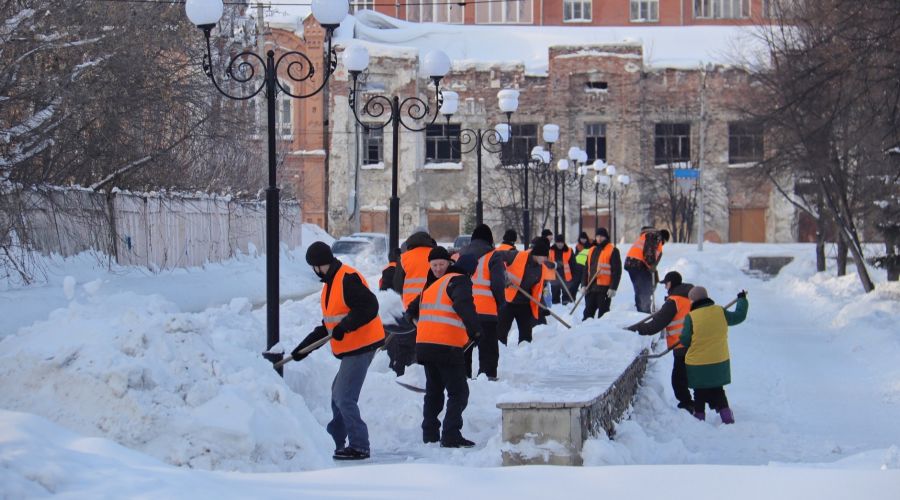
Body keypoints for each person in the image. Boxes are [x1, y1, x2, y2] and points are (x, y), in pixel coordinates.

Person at [290, 242, 385, 460]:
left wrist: (347, 326)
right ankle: (334, 441)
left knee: (344, 396)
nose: (314, 271)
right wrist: (302, 349)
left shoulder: (347, 278)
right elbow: (329, 326)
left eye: (314, 267)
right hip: (353, 345)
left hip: (363, 344)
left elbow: (370, 306)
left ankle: (360, 446)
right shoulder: (331, 284)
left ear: (319, 265)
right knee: (337, 394)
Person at [406, 248, 482, 448]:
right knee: (458, 392)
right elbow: (463, 304)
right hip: (446, 346)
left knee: (434, 391)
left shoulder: (432, 286)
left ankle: (430, 434)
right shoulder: (459, 280)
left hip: (425, 346)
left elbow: (413, 310)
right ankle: (451, 434)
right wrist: (476, 331)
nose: (438, 268)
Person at [627, 271, 694, 412]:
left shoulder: (674, 301)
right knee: (695, 376)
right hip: (697, 343)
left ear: (672, 283)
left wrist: (633, 329)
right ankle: (703, 405)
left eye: (666, 284)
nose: (665, 287)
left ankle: (688, 406)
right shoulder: (691, 297)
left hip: (682, 345)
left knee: (679, 380)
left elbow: (655, 325)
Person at [681, 286, 749, 424]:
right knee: (718, 390)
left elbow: (685, 340)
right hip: (719, 360)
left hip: (697, 363)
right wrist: (742, 300)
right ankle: (726, 417)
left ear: (693, 300)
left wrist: (683, 338)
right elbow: (739, 317)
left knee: (699, 392)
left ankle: (699, 418)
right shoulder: (720, 311)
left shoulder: (691, 317)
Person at [457, 224, 506, 380]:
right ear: (489, 240)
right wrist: (500, 303)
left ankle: (463, 378)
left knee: (465, 347)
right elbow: (498, 284)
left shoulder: (461, 255)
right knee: (488, 350)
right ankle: (487, 379)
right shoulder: (494, 256)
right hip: (486, 311)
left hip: (465, 311)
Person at [497, 238, 549, 344]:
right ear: (536, 255)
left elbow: (538, 291)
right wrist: (503, 275)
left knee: (526, 335)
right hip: (508, 301)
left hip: (525, 304)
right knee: (501, 333)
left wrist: (542, 308)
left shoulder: (541, 269)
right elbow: (495, 256)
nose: (544, 260)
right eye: (543, 257)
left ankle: (524, 355)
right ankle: (500, 355)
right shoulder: (516, 256)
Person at [624, 227, 670, 313]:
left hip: (632, 264)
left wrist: (652, 268)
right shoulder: (655, 236)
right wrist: (651, 265)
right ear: (664, 238)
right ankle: (644, 312)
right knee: (644, 289)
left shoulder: (648, 235)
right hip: (638, 264)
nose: (662, 244)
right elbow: (649, 252)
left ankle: (641, 310)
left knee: (640, 289)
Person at [581, 227, 621, 321]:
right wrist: (583, 284)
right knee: (587, 314)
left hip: (604, 290)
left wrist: (613, 288)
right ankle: (585, 333)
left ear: (606, 237)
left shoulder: (613, 250)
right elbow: (586, 269)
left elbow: (617, 271)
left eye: (601, 236)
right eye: (597, 236)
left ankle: (602, 334)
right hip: (591, 288)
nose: (599, 238)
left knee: (603, 316)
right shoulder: (591, 250)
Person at [548, 234, 575, 305]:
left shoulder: (569, 250)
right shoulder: (550, 250)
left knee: (566, 299)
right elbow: (548, 262)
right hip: (554, 277)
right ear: (555, 242)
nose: (560, 244)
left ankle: (566, 314)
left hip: (566, 278)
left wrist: (573, 277)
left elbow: (573, 264)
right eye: (558, 242)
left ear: (564, 242)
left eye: (561, 242)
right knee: (555, 299)